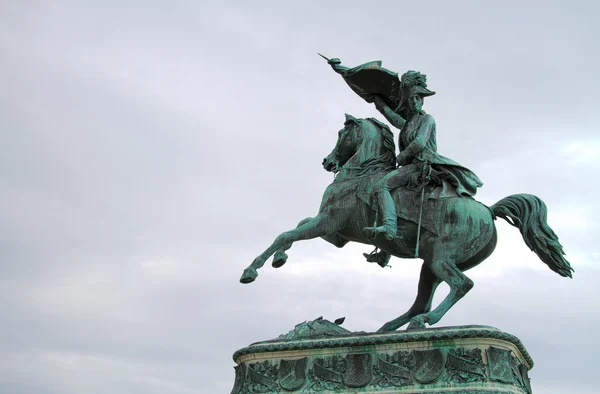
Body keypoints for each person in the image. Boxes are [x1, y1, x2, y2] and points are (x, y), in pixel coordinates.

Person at [363, 70, 483, 240]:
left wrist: (403, 156)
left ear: (422, 99)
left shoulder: (427, 119)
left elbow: (419, 142)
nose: (414, 102)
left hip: (421, 165)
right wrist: (376, 100)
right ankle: (386, 250)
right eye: (410, 99)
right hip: (411, 166)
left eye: (417, 98)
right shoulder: (408, 123)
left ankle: (390, 227)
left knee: (382, 186)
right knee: (396, 195)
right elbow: (391, 116)